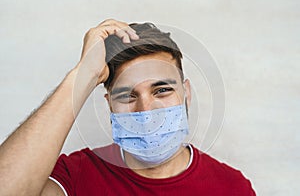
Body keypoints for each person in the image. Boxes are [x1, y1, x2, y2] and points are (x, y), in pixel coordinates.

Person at [0, 19, 256, 195]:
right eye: (126, 95)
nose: (145, 111)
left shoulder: (233, 187)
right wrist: (83, 75)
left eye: (162, 90)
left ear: (186, 93)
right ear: (109, 105)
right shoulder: (76, 174)